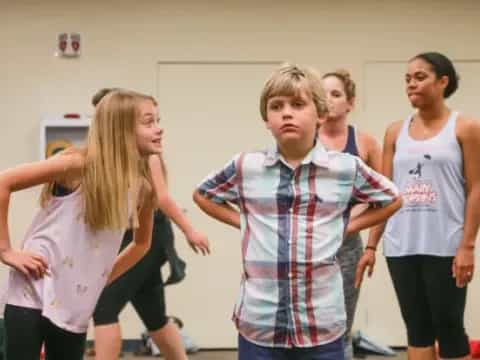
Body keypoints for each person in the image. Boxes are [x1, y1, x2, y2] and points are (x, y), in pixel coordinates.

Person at [193, 63, 402, 360]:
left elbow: (393, 199)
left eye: (298, 104)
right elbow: (203, 194)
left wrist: (345, 228)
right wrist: (245, 221)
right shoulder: (246, 166)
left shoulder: (344, 168)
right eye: (276, 106)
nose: (286, 112)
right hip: (260, 324)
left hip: (321, 325)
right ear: (266, 119)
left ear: (320, 113)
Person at [0, 90, 162, 359]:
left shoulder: (143, 188)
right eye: (149, 122)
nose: (159, 129)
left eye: (158, 120)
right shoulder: (77, 165)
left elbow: (141, 243)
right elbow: (3, 182)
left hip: (75, 303)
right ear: (120, 128)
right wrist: (6, 250)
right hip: (33, 290)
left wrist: (99, 278)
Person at [356, 52, 480, 360]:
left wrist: (467, 245)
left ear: (443, 82)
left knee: (449, 327)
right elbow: (384, 193)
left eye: (420, 77)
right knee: (417, 328)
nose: (411, 84)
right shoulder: (395, 132)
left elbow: (476, 187)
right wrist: (371, 246)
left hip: (446, 244)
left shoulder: (465, 128)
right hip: (402, 246)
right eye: (407, 79)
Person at [91, 88, 209, 360]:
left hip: (146, 239)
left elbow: (163, 198)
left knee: (104, 307)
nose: (157, 128)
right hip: (128, 238)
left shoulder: (146, 152)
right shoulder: (107, 155)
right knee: (154, 315)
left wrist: (190, 230)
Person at [318, 69, 382, 360]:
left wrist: (365, 239)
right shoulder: (305, 139)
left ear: (350, 102)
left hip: (347, 248)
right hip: (310, 246)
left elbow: (383, 198)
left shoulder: (366, 143)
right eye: (323, 94)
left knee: (340, 324)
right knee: (308, 324)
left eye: (336, 94)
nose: (328, 100)